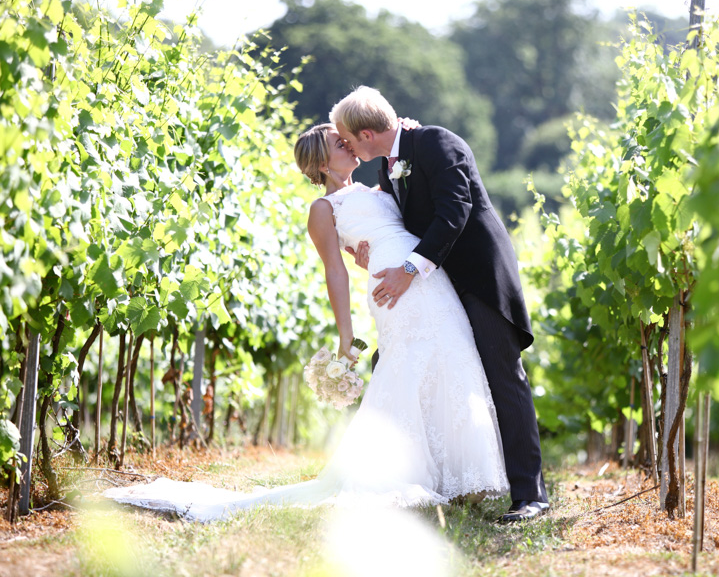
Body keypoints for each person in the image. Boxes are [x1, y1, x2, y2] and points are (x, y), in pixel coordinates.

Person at [102, 123, 509, 522]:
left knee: (450, 356)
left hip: (424, 276)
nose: (349, 145)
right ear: (322, 163)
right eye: (339, 143)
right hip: (391, 288)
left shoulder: (379, 188)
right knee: (407, 367)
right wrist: (345, 333)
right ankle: (400, 474)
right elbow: (336, 270)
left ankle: (460, 476)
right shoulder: (323, 209)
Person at [330, 86, 548, 522]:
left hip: (480, 278)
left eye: (348, 140)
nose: (348, 149)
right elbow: (398, 226)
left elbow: (454, 211)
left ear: (368, 134)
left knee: (504, 376)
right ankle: (444, 479)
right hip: (441, 288)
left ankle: (531, 496)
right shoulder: (388, 173)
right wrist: (369, 252)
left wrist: (408, 271)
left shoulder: (436, 142)